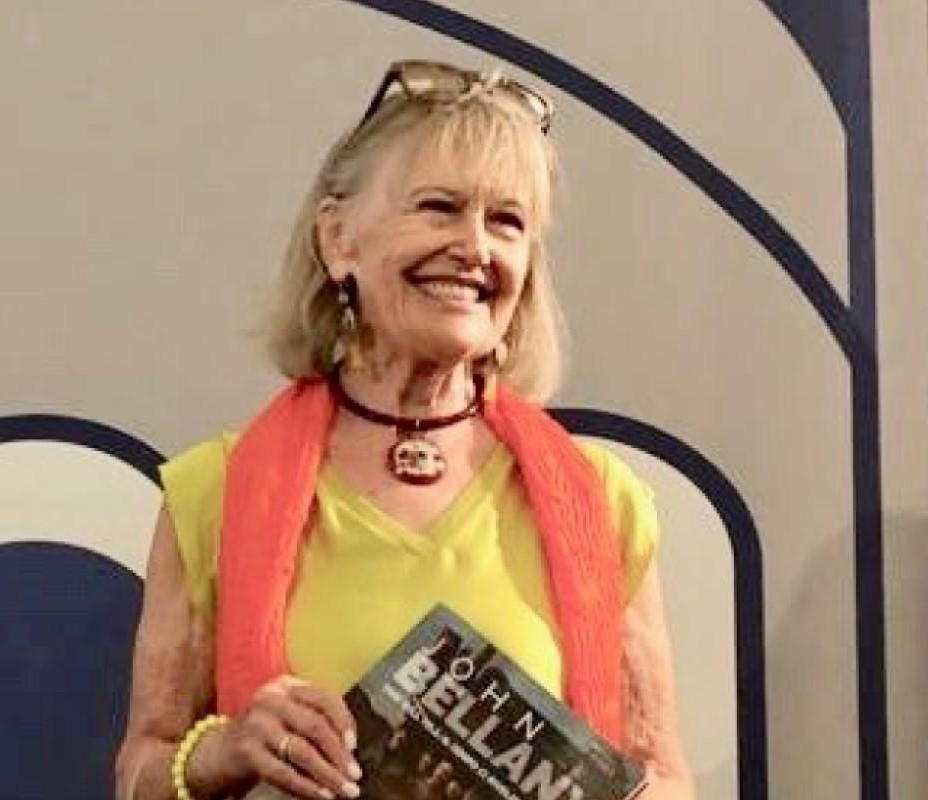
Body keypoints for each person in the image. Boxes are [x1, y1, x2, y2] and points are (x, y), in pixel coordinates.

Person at [114, 59, 694, 800]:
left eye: (507, 222)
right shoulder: (213, 492)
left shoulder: (605, 503)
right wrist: (224, 751)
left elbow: (669, 777)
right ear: (338, 241)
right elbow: (138, 771)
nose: (476, 248)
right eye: (439, 207)